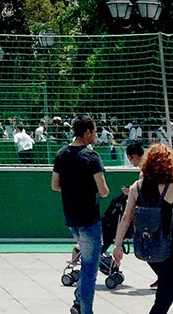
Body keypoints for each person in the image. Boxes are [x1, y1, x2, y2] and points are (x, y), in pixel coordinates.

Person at [113, 143, 173, 314]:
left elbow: (126, 217)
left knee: (172, 285)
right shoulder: (170, 188)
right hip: (167, 246)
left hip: (146, 244)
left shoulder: (136, 187)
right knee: (169, 289)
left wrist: (118, 245)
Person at [52, 116, 110, 314]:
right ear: (86, 132)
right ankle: (85, 310)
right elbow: (103, 190)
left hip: (71, 219)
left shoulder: (62, 154)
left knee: (86, 260)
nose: (95, 135)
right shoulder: (92, 157)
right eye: (93, 131)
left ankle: (79, 301)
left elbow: (54, 185)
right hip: (90, 220)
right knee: (89, 268)